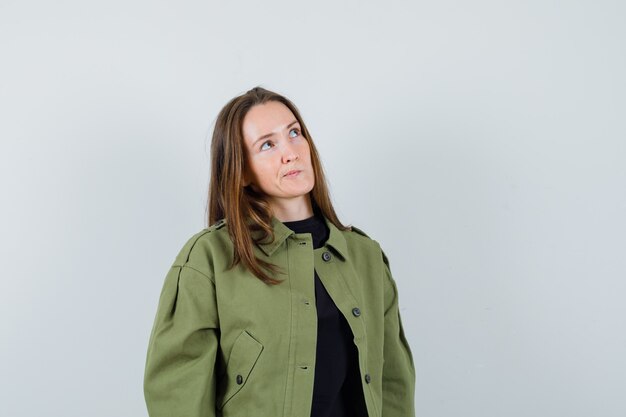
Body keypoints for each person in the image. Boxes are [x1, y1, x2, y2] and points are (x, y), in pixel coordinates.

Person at [143, 86, 415, 417]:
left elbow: (393, 385)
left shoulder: (365, 257)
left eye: (294, 133)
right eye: (267, 144)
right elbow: (178, 394)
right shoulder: (210, 258)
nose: (291, 152)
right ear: (242, 171)